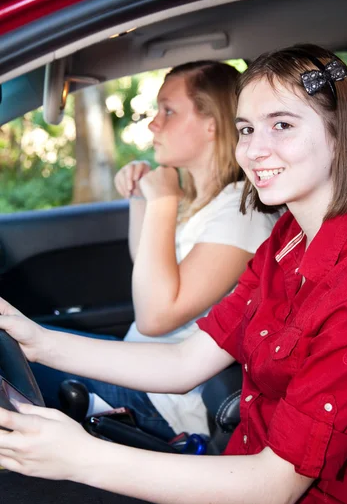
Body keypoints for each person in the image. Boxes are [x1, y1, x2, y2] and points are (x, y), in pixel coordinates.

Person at [0, 44, 347, 504]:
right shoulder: (287, 241)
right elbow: (186, 360)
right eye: (248, 128)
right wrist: (37, 342)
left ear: (341, 133)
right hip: (233, 482)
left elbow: (274, 491)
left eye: (282, 125)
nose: (254, 150)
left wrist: (81, 458)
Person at [32, 60, 279, 439]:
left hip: (166, 401)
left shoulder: (243, 213)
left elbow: (154, 316)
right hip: (142, 365)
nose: (153, 124)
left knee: (17, 355)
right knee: (25, 340)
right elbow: (149, 274)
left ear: (212, 123)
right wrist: (141, 200)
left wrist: (163, 201)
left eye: (168, 110)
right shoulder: (205, 201)